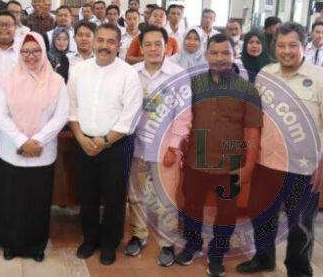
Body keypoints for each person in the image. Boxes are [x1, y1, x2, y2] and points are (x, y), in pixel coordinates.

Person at [236, 22, 323, 276]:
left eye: (293, 45)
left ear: (304, 45)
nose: (286, 51)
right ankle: (263, 258)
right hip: (267, 163)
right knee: (262, 214)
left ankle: (298, 270)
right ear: (274, 47)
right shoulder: (265, 74)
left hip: (304, 168)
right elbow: (256, 117)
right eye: (281, 45)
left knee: (300, 225)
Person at [176, 34, 262, 277]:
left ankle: (217, 252)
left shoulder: (247, 88)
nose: (219, 58)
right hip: (195, 160)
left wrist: (249, 166)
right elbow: (182, 119)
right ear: (206, 55)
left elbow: (252, 130)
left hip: (230, 163)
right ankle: (192, 244)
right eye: (214, 53)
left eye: (225, 53)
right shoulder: (194, 84)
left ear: (235, 55)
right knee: (191, 206)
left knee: (226, 212)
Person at [68, 23, 143, 265]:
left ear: (118, 45)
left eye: (111, 41)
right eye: (100, 40)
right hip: (84, 143)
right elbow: (71, 107)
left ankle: (110, 243)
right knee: (87, 195)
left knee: (114, 197)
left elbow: (130, 115)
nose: (104, 46)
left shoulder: (128, 74)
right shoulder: (79, 70)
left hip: (116, 146)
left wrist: (105, 140)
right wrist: (81, 137)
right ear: (93, 42)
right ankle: (90, 239)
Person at [0, 31, 68, 262]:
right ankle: (10, 244)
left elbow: (60, 116)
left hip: (42, 154)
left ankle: (36, 246)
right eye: (25, 51)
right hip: (10, 152)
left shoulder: (57, 81)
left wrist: (38, 141)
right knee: (10, 200)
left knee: (38, 202)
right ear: (19, 53)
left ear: (44, 52)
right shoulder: (7, 80)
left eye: (36, 50)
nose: (30, 56)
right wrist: (21, 141)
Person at [125, 25, 190, 267]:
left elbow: (184, 115)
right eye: (148, 44)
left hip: (165, 149)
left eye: (158, 44)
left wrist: (174, 147)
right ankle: (138, 235)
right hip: (136, 146)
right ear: (141, 48)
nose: (153, 49)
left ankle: (166, 243)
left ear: (167, 46)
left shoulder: (178, 75)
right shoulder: (132, 73)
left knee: (166, 198)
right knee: (136, 195)